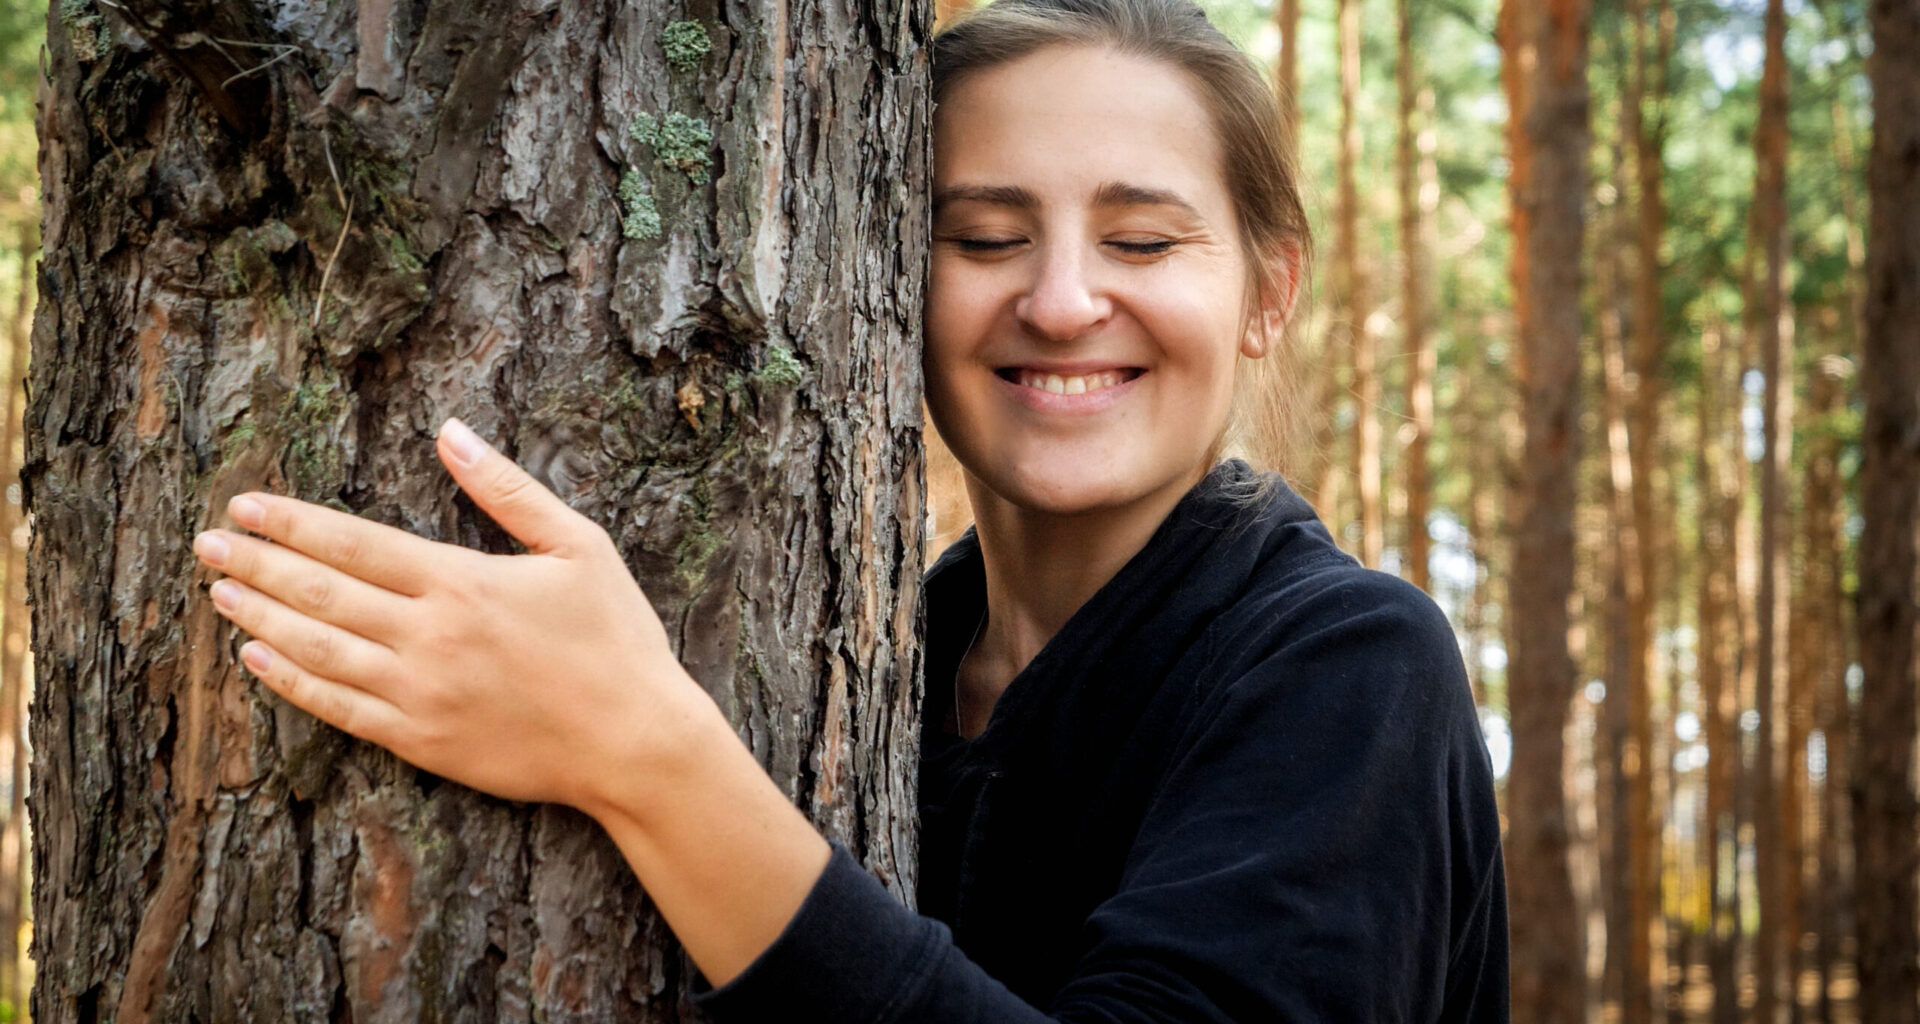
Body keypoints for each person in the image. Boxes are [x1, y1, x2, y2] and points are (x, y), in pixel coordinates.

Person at [189, 0, 1508, 1019]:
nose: (1058, 301)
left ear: (1269, 292)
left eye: (1144, 242)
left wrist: (645, 757)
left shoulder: (1350, 669)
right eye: (984, 237)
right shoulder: (879, 652)